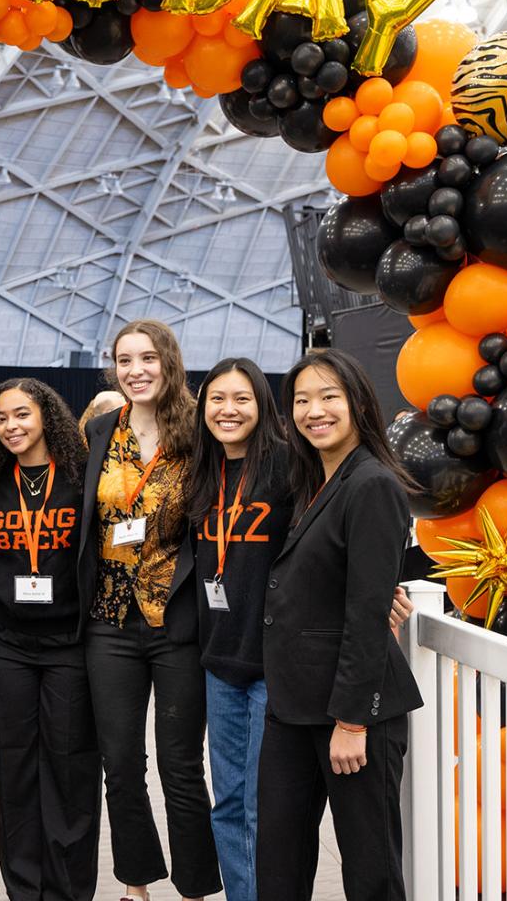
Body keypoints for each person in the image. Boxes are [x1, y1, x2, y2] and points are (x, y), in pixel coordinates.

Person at [257, 349, 422, 901]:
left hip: (354, 713)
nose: (314, 411)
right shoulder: (313, 482)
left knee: (369, 867)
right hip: (292, 707)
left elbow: (367, 611)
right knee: (278, 861)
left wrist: (352, 722)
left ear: (358, 403)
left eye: (329, 396)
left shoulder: (372, 484)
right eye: (301, 400)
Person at [79, 319, 221, 901]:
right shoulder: (98, 432)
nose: (135, 370)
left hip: (177, 621)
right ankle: (135, 884)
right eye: (124, 360)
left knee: (181, 767)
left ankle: (194, 888)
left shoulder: (200, 429)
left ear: (169, 361)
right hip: (108, 620)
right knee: (120, 763)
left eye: (147, 358)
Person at [0, 379, 100, 901]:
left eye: (21, 414)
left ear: (46, 415)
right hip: (8, 646)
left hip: (69, 644)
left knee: (70, 774)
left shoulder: (80, 475)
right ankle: (23, 889)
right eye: (1, 419)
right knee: (16, 773)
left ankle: (68, 892)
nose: (11, 427)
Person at [182, 359, 291, 901]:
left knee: (259, 804)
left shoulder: (289, 467)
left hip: (273, 663)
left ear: (262, 405)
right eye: (217, 399)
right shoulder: (202, 474)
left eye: (242, 399)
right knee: (227, 802)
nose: (228, 410)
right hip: (219, 662)